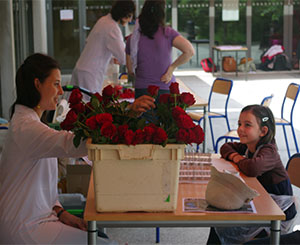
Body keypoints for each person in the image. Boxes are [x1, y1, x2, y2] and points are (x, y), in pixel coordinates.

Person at [0, 53, 155, 244]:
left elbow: (40, 188)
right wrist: (125, 113)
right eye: (55, 84)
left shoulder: (28, 122)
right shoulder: (27, 128)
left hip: (37, 218)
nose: (60, 92)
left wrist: (60, 211)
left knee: (100, 237)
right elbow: (73, 144)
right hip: (25, 228)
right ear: (37, 84)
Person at [206, 104, 297, 244]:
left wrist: (237, 158)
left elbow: (252, 168)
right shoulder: (249, 145)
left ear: (263, 131)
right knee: (219, 216)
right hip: (262, 202)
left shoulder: (269, 151)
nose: (240, 129)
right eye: (239, 124)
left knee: (222, 219)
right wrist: (238, 157)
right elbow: (225, 147)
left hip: (277, 211)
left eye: (247, 125)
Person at [125, 0, 195, 100]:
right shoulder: (167, 33)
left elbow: (130, 70)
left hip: (142, 90)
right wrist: (171, 69)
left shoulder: (133, 39)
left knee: (145, 116)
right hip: (164, 87)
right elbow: (189, 51)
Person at [71, 0, 135, 100]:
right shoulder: (112, 27)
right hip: (90, 74)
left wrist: (112, 58)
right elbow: (123, 58)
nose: (130, 20)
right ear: (124, 14)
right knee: (89, 108)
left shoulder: (104, 20)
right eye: (130, 16)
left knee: (77, 106)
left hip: (82, 69)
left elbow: (99, 47)